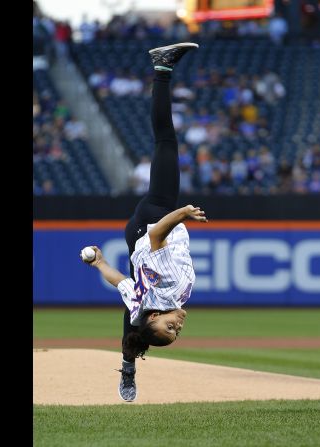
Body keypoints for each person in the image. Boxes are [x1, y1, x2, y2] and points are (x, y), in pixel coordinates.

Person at [82, 43, 206, 402]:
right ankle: (129, 366)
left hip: (154, 219)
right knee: (131, 308)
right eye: (176, 332)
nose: (177, 326)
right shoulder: (146, 305)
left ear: (156, 318)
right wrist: (100, 262)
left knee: (165, 142)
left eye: (169, 327)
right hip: (136, 235)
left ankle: (161, 67)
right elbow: (121, 281)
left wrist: (182, 213)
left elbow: (156, 236)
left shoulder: (168, 289)